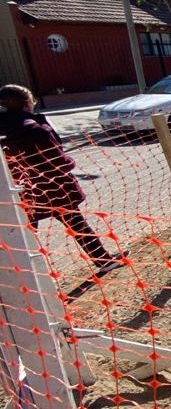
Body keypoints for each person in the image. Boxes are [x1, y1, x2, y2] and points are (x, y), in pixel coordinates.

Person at [0, 84, 122, 270]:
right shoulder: (35, 129)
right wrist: (70, 163)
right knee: (76, 224)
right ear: (27, 103)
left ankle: (21, 278)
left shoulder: (6, 130)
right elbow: (59, 160)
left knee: (25, 233)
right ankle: (103, 260)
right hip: (53, 187)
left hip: (21, 190)